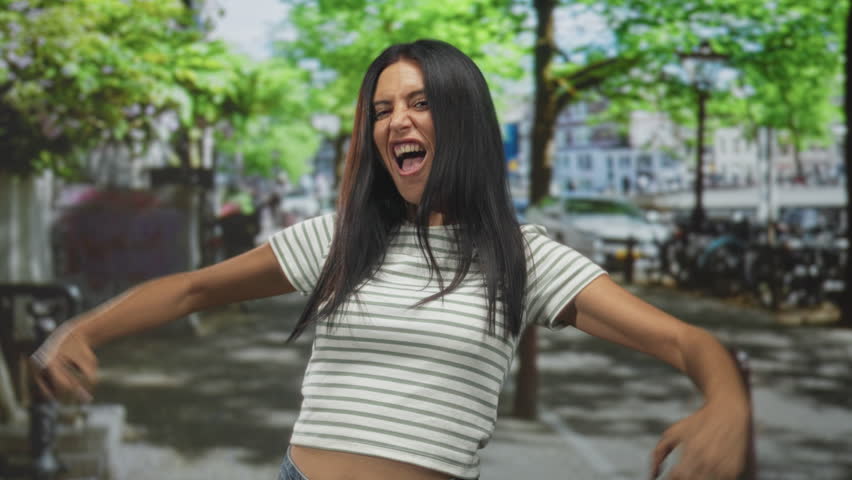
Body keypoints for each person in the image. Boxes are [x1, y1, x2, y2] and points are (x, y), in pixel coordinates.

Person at [30, 39, 749, 480]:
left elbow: (688, 341)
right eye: (381, 109)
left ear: (462, 120)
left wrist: (727, 404)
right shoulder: (338, 239)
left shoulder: (522, 259)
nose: (396, 120)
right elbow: (191, 290)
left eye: (419, 103)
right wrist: (81, 330)